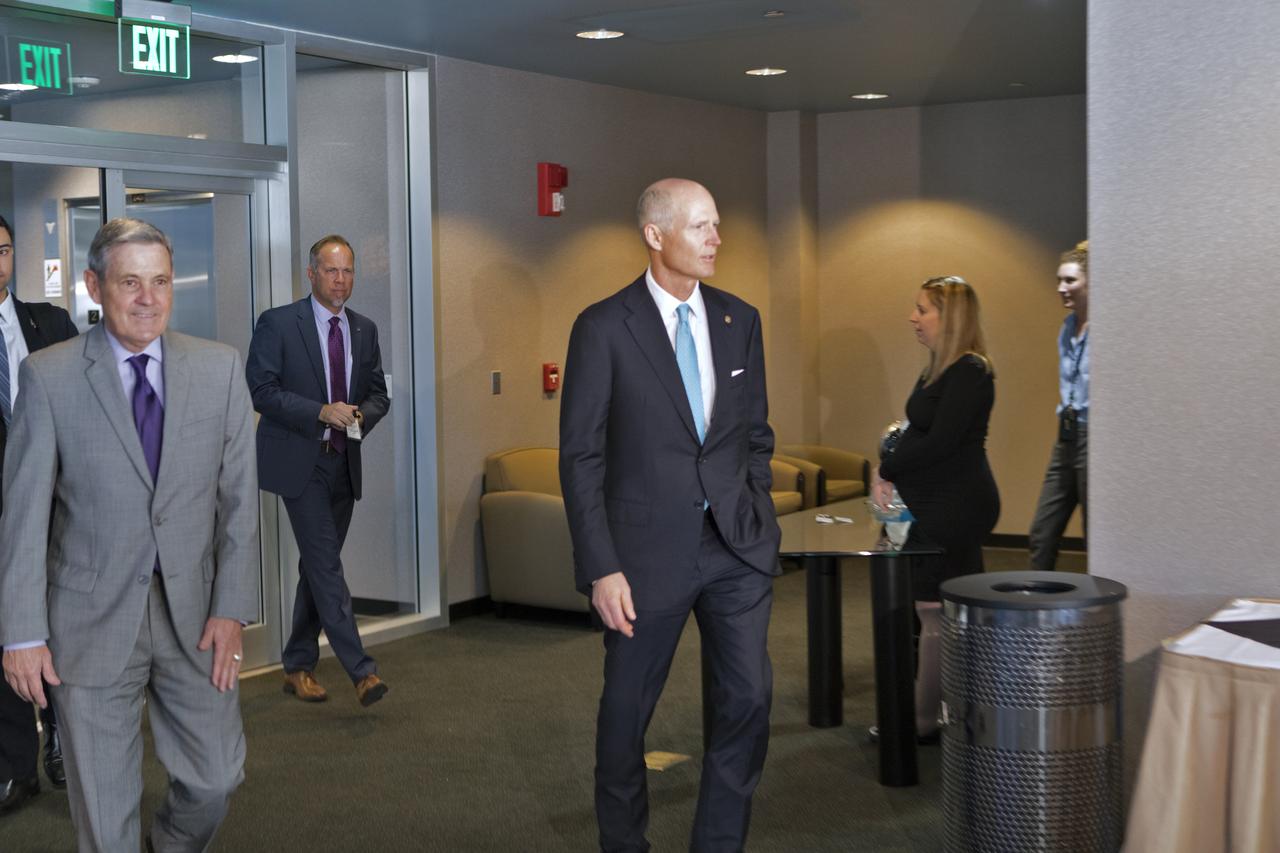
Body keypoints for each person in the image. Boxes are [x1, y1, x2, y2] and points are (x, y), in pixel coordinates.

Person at [0, 217, 259, 851]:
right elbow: (25, 514)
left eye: (161, 281)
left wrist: (232, 610)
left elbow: (239, 505)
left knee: (216, 778)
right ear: (94, 285)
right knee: (103, 812)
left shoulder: (220, 369)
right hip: (87, 620)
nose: (149, 299)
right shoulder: (50, 376)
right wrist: (22, 633)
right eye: (130, 282)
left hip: (194, 619)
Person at [560, 178, 781, 852]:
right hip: (641, 561)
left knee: (746, 702)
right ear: (656, 235)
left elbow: (754, 436)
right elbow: (581, 458)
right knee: (626, 717)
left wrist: (759, 516)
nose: (717, 239)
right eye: (701, 226)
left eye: (717, 225)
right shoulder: (603, 326)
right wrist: (602, 566)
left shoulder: (739, 320)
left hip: (735, 552)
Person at [246, 234, 390, 707]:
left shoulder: (364, 329)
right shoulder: (279, 323)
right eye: (332, 270)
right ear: (311, 274)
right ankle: (362, 672)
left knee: (315, 565)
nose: (341, 279)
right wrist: (320, 412)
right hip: (299, 462)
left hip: (343, 463)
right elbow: (261, 390)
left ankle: (298, 665)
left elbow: (377, 395)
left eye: (348, 270)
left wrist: (361, 416)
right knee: (327, 565)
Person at [873, 276, 1000, 738]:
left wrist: (886, 469)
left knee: (932, 611)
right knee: (942, 612)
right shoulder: (939, 369)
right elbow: (915, 433)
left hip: (955, 507)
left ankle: (923, 722)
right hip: (938, 502)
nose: (913, 317)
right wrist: (886, 462)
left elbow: (942, 442)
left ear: (950, 318)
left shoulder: (970, 371)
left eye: (923, 309)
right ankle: (945, 713)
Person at [0, 213, 78, 817]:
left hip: (53, 504)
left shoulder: (49, 323)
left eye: (1, 249)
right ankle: (15, 762)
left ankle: (62, 735)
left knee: (54, 622)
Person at [1029, 241, 1089, 571]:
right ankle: (1038, 608)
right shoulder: (1066, 328)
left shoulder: (1108, 330)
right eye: (1059, 280)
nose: (1061, 288)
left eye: (1070, 280)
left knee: (1096, 533)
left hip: (1095, 436)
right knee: (1042, 530)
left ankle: (1101, 615)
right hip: (1066, 435)